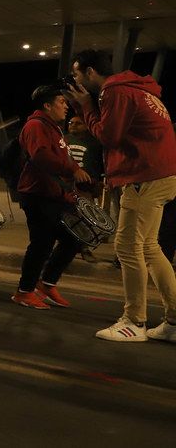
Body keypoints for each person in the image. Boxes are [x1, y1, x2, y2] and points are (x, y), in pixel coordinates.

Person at [68, 49, 176, 343]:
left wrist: (86, 106)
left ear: (91, 72)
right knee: (150, 248)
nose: (75, 81)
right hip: (160, 175)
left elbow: (108, 137)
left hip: (144, 175)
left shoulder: (113, 92)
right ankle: (174, 321)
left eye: (77, 75)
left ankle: (134, 321)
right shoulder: (137, 89)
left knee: (127, 248)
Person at [10, 84, 90, 309]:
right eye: (61, 102)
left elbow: (61, 156)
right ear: (47, 105)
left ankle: (46, 284)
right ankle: (24, 291)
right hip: (38, 194)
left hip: (54, 195)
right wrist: (72, 170)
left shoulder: (53, 127)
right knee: (41, 244)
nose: (66, 106)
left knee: (73, 239)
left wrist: (75, 173)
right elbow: (42, 156)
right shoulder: (36, 125)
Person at [65, 114, 105, 261]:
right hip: (67, 186)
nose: (73, 125)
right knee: (67, 217)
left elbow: (98, 164)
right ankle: (67, 247)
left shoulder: (94, 143)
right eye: (71, 122)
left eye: (78, 123)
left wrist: (98, 182)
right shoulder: (64, 140)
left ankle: (85, 248)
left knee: (85, 218)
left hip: (85, 187)